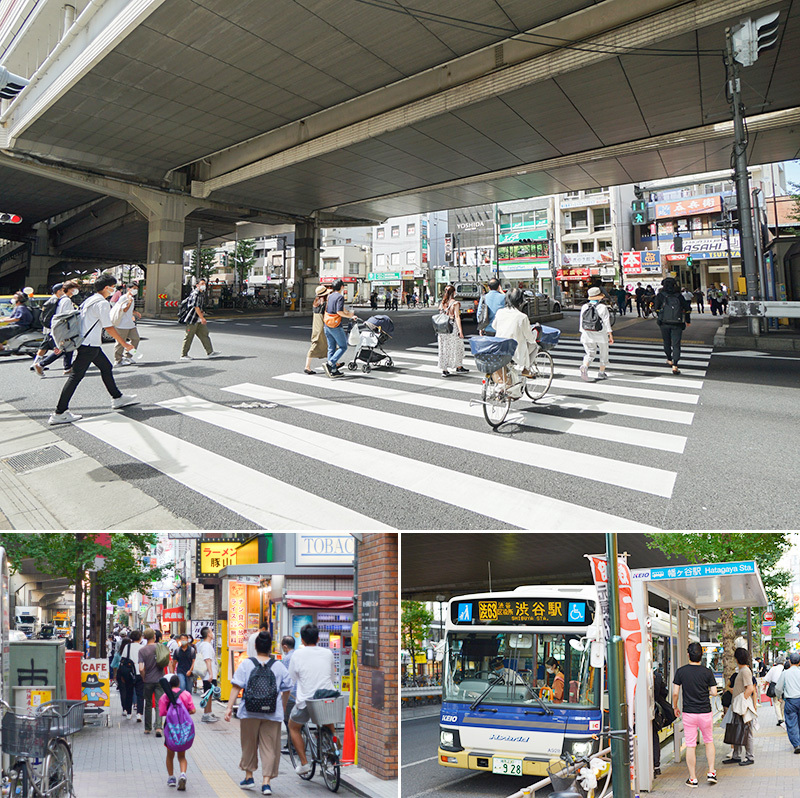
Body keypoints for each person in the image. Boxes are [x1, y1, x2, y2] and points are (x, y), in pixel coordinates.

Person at [48, 274, 138, 425]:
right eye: (113, 286)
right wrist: (124, 343)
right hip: (89, 345)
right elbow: (108, 327)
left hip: (89, 344)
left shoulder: (90, 299)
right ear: (106, 287)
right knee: (75, 377)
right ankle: (59, 412)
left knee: (106, 367)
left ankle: (117, 398)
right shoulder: (102, 303)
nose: (113, 289)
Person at [224, 631, 292, 795]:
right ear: (271, 647)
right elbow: (287, 688)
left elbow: (236, 686)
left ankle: (249, 777)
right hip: (272, 713)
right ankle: (266, 782)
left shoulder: (247, 664)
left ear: (255, 647)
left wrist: (228, 708)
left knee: (249, 744)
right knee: (269, 748)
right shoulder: (278, 665)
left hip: (250, 712)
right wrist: (282, 708)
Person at [287, 624, 338, 776]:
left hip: (307, 701)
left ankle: (304, 764)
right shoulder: (328, 653)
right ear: (318, 638)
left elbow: (291, 679)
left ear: (302, 640)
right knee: (326, 718)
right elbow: (332, 676)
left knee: (293, 727)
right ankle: (334, 745)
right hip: (327, 698)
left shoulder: (297, 655)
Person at [672, 641, 718, 787]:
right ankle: (711, 772)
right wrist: (707, 692)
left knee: (690, 745)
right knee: (709, 741)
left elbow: (675, 693)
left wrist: (675, 707)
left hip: (689, 713)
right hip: (705, 712)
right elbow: (714, 692)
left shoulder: (681, 671)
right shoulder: (707, 672)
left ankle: (693, 778)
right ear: (701, 655)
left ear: (688, 655)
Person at [158, 674, 196, 790]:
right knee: (182, 755)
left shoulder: (165, 696)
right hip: (183, 728)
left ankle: (171, 778)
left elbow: (162, 712)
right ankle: (183, 774)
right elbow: (193, 710)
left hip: (170, 728)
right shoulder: (186, 694)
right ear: (179, 683)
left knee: (170, 755)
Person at [492, 289, 538, 378]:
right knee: (535, 345)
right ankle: (526, 369)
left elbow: (494, 326)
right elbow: (530, 338)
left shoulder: (500, 312)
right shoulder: (522, 317)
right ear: (520, 301)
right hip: (515, 351)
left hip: (500, 348)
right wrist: (535, 333)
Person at [724, 647, 757, 767]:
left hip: (742, 707)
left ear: (736, 659)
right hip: (738, 706)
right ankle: (736, 755)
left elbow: (750, 688)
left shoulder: (745, 671)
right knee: (737, 729)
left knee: (746, 731)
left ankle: (750, 756)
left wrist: (742, 701)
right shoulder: (743, 671)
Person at [653, 277, 691, 375]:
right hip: (677, 323)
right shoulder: (679, 296)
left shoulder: (660, 295)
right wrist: (687, 320)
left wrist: (661, 315)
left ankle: (669, 359)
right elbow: (687, 308)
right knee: (676, 344)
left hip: (664, 323)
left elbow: (656, 308)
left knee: (667, 342)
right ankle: (675, 365)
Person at [322, 279, 357, 378]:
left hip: (327, 324)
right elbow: (339, 311)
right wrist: (350, 316)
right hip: (335, 325)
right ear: (341, 287)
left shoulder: (330, 296)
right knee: (343, 346)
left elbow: (341, 309)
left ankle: (332, 370)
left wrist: (348, 313)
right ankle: (330, 363)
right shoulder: (340, 297)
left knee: (331, 347)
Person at [180, 279, 221, 360]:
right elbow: (196, 307)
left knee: (204, 334)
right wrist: (202, 318)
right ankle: (183, 355)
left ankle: (210, 352)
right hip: (192, 319)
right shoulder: (195, 294)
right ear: (197, 285)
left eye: (204, 284)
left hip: (197, 319)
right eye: (202, 283)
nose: (204, 285)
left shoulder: (201, 294)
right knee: (189, 337)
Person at [579, 286, 613, 381]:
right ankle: (601, 373)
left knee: (590, 353)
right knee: (604, 353)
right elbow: (606, 323)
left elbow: (581, 322)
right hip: (600, 334)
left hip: (587, 334)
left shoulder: (584, 307)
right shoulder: (602, 307)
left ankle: (585, 366)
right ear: (599, 297)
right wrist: (610, 335)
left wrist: (583, 333)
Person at [139, 628, 166, 737]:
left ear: (145, 637)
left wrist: (144, 677)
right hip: (160, 679)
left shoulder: (142, 651)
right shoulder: (160, 647)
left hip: (148, 680)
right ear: (154, 637)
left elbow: (141, 668)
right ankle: (159, 727)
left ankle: (147, 728)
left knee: (148, 704)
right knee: (159, 703)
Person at [437, 284, 467, 378]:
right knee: (457, 347)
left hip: (442, 329)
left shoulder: (442, 303)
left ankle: (444, 369)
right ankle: (459, 366)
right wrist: (461, 331)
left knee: (444, 348)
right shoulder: (455, 303)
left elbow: (440, 313)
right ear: (454, 292)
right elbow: (457, 317)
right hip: (452, 327)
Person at [775, 651, 800, 753]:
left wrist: (778, 696)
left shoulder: (785, 673)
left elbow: (778, 688)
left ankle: (797, 744)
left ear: (789, 661)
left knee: (792, 723)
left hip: (791, 701)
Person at [111, 283, 141, 367]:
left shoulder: (132, 298)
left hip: (130, 324)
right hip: (122, 324)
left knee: (136, 339)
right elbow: (123, 310)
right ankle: (118, 360)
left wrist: (135, 313)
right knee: (120, 342)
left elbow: (129, 311)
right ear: (129, 289)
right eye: (134, 288)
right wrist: (129, 302)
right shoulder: (124, 297)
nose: (136, 290)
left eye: (136, 288)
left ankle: (128, 356)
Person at [304, 285, 331, 375]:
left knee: (323, 344)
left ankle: (334, 362)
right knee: (328, 344)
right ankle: (307, 367)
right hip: (322, 327)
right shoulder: (324, 303)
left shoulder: (316, 302)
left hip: (316, 326)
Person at [196, 627, 219, 724]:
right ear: (208, 634)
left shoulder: (206, 645)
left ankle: (209, 712)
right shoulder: (206, 645)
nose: (213, 633)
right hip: (208, 675)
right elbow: (207, 660)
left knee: (209, 694)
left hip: (209, 674)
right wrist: (211, 674)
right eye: (211, 632)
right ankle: (206, 714)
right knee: (208, 694)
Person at [280, 636, 297, 754]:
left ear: (285, 646)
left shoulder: (286, 659)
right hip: (300, 693)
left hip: (290, 694)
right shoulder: (298, 655)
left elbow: (285, 678)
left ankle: (292, 745)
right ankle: (293, 743)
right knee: (297, 720)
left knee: (288, 721)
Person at [765, 658, 786, 727]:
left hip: (775, 687)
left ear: (776, 662)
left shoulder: (773, 668)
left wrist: (765, 686)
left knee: (777, 704)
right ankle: (782, 718)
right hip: (784, 688)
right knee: (783, 704)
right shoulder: (785, 668)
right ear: (783, 662)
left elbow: (768, 678)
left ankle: (780, 719)